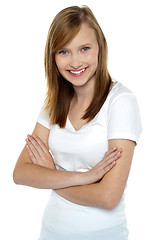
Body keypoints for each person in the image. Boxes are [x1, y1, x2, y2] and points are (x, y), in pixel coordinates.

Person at [13, 5, 142, 240]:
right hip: (51, 232)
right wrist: (84, 177)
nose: (75, 62)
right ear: (52, 56)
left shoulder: (120, 102)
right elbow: (20, 173)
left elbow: (108, 197)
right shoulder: (53, 104)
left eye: (84, 49)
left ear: (100, 48)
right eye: (64, 51)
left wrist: (51, 175)